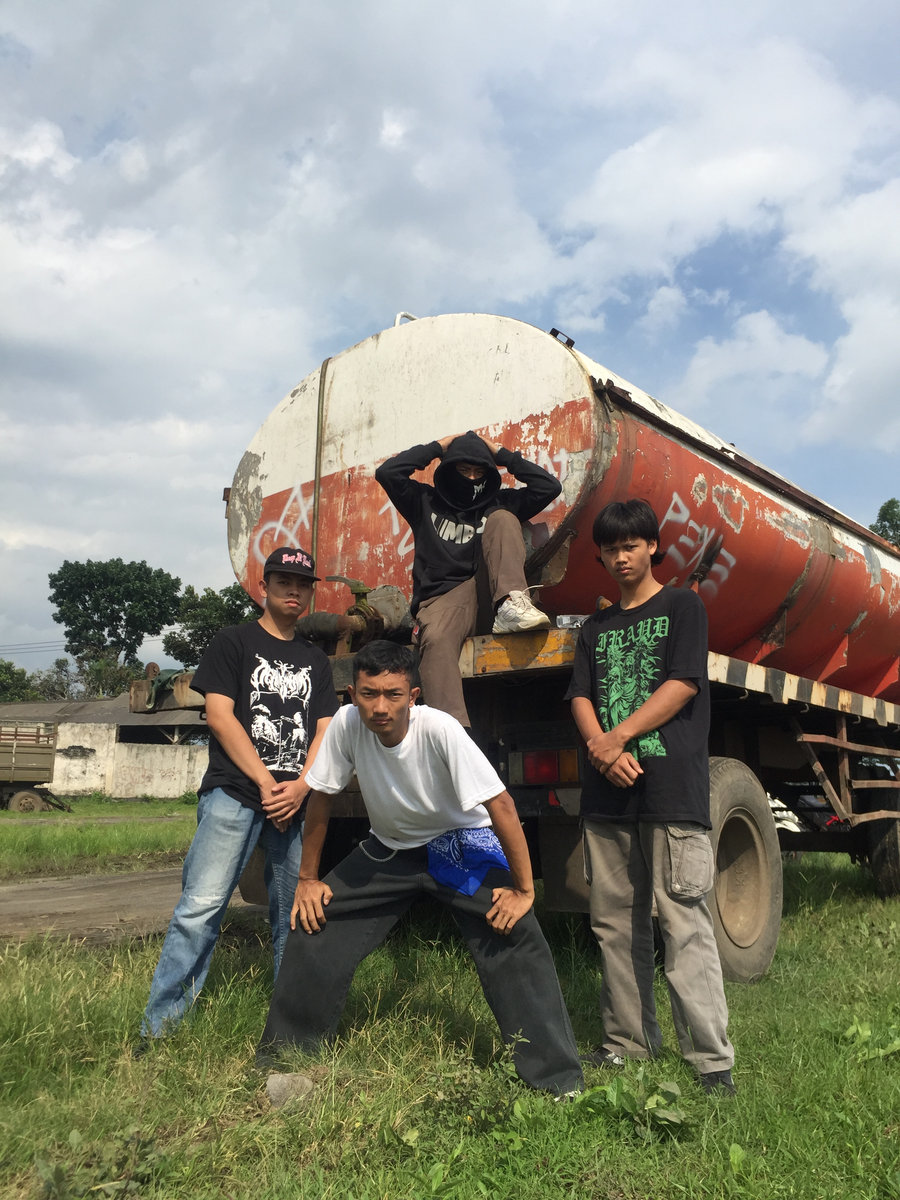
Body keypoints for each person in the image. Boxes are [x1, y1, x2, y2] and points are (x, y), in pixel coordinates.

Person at [257, 640, 584, 1097]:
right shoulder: (346, 724)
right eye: (369, 694)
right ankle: (286, 1058)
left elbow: (502, 805)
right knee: (313, 919)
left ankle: (556, 1080)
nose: (380, 707)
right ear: (353, 694)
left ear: (412, 696)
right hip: (390, 849)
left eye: (393, 694)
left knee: (514, 932)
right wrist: (308, 880)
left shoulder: (440, 729)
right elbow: (323, 797)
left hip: (458, 843)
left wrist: (525, 891)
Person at [564, 500, 736, 1095]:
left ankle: (711, 1061)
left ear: (653, 546)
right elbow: (580, 695)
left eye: (631, 545)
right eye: (610, 549)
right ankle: (627, 1044)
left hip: (669, 792)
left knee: (683, 922)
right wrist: (601, 749)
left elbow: (683, 684)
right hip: (606, 797)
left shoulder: (683, 606)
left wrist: (616, 737)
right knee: (614, 925)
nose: (621, 557)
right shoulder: (594, 628)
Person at [140, 546, 338, 1040]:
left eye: (303, 585)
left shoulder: (315, 659)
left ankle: (289, 1030)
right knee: (201, 908)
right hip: (235, 792)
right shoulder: (233, 641)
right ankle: (160, 1030)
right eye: (284, 582)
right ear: (264, 587)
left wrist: (301, 787)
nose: (294, 591)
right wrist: (269, 783)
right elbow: (219, 715)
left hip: (292, 802)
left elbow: (325, 729)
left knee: (294, 916)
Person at [375, 431, 561, 726]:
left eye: (479, 472)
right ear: (449, 469)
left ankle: (512, 603)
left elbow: (548, 486)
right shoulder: (424, 501)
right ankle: (453, 736)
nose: (472, 478)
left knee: (503, 517)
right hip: (444, 600)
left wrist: (500, 454)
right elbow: (387, 473)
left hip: (493, 600)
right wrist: (437, 446)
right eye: (464, 470)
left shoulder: (498, 501)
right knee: (436, 642)